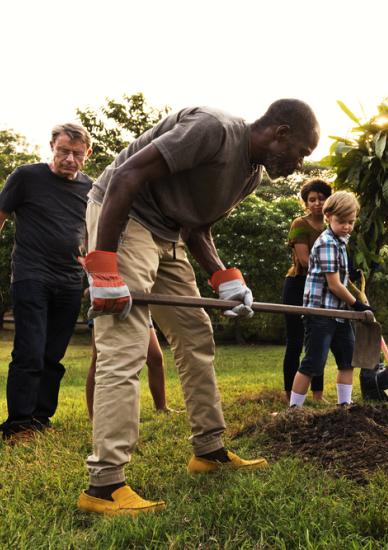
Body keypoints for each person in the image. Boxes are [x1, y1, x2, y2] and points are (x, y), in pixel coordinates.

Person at [76, 100, 320, 516]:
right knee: (126, 343)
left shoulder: (251, 176)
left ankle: (208, 450)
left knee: (196, 336)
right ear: (280, 132)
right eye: (300, 152)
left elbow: (196, 226)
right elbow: (126, 174)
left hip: (169, 233)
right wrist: (104, 266)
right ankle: (104, 485)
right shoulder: (214, 130)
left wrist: (225, 279)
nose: (298, 165)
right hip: (125, 217)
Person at [0, 123, 93, 444]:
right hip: (31, 275)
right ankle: (18, 424)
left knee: (53, 354)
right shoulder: (26, 177)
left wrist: (95, 273)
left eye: (77, 154)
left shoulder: (90, 189)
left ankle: (41, 417)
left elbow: (91, 234)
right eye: (63, 151)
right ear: (52, 147)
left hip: (69, 280)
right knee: (30, 349)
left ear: (87, 154)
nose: (69, 159)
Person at [289, 191, 371, 408]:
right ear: (328, 217)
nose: (347, 227)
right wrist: (356, 304)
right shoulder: (327, 242)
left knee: (347, 360)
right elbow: (334, 285)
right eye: (341, 222)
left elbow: (340, 278)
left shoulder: (341, 241)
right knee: (313, 362)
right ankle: (294, 409)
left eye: (351, 222)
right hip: (321, 312)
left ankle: (345, 405)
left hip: (339, 312)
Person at [282, 179, 332, 402]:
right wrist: (332, 276)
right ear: (306, 203)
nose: (317, 203)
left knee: (318, 340)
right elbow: (304, 260)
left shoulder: (334, 225)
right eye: (312, 199)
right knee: (295, 341)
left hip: (325, 287)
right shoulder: (299, 224)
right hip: (298, 285)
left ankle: (318, 395)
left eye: (321, 198)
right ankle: (289, 394)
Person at [86, 317, 172, 420]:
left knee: (155, 357)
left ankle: (161, 408)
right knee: (98, 359)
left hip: (139, 310)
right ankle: (94, 416)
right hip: (108, 307)